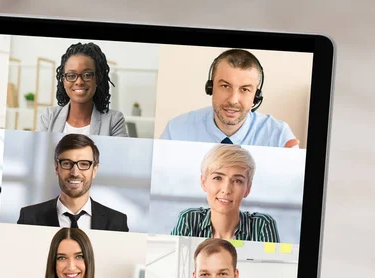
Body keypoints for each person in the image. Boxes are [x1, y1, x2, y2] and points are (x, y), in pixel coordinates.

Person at [160, 49, 299, 148]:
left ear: (256, 96)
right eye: (225, 86)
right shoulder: (176, 131)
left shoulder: (278, 136)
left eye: (245, 89)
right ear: (210, 87)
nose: (233, 100)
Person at [17, 133, 128, 231]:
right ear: (56, 168)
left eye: (84, 164)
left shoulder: (117, 223)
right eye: (67, 163)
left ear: (94, 170)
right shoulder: (29, 218)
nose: (75, 172)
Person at [171, 143, 280, 242]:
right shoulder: (189, 219)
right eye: (218, 178)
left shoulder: (262, 225)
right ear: (204, 182)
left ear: (248, 189)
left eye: (237, 181)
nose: (226, 190)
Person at [38, 42, 128, 137]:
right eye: (71, 75)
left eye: (87, 75)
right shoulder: (49, 117)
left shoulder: (114, 120)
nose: (79, 82)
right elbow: (39, 151)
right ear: (64, 81)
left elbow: (120, 152)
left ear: (97, 79)